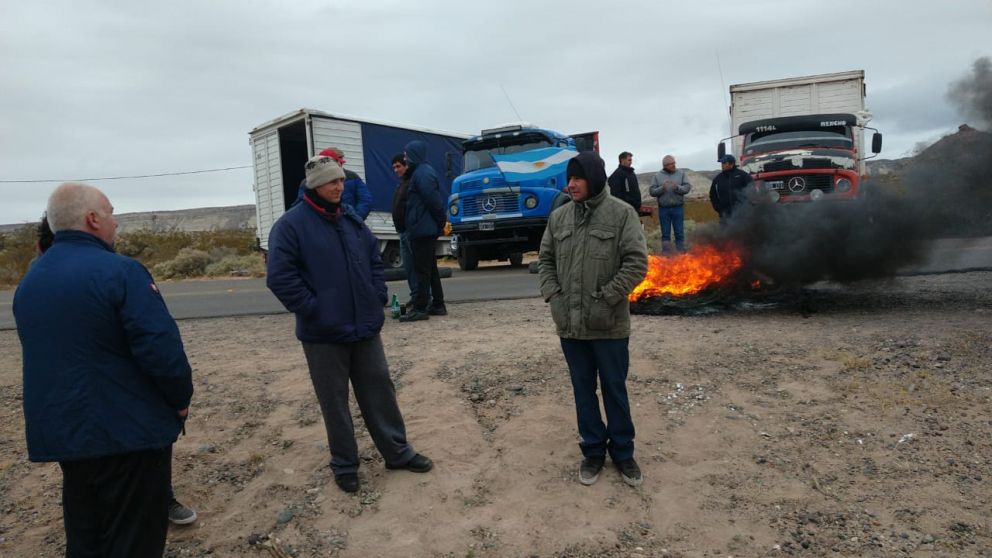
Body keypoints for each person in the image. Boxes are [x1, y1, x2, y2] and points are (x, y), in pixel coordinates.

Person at [13, 183, 194, 557]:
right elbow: (160, 348)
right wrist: (180, 400)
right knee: (134, 539)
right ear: (92, 219)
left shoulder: (30, 282)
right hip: (129, 435)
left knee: (87, 535)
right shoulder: (122, 271)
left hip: (68, 437)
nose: (116, 223)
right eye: (111, 213)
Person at [266, 155, 432, 494]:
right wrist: (314, 309)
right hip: (323, 334)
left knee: (380, 391)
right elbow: (280, 277)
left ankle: (397, 453)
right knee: (334, 402)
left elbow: (373, 258)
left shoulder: (350, 219)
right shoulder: (290, 225)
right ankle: (345, 465)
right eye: (332, 182)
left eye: (341, 180)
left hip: (364, 326)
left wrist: (378, 294)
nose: (340, 186)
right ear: (315, 185)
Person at [537, 152, 648, 487]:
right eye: (569, 179)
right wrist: (554, 297)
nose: (570, 185)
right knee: (583, 390)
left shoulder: (622, 214)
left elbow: (636, 263)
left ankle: (624, 453)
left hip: (609, 324)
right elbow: (545, 260)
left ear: (595, 178)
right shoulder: (559, 218)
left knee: (614, 388)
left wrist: (608, 298)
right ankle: (593, 451)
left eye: (578, 178)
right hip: (570, 325)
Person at [398, 140, 446, 322]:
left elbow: (433, 201)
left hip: (422, 229)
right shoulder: (421, 172)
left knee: (422, 270)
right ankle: (438, 304)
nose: (405, 158)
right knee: (430, 268)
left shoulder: (422, 174)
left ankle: (420, 308)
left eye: (406, 154)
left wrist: (441, 221)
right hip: (423, 228)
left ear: (413, 154)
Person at [293, 147, 374, 220]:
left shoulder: (307, 182)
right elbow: (366, 201)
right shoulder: (352, 176)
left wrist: (354, 219)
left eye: (341, 180)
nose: (340, 188)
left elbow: (365, 200)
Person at [390, 152, 422, 309]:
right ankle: (415, 295)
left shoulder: (412, 182)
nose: (396, 170)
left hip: (411, 231)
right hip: (402, 231)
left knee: (418, 267)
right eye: (394, 167)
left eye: (398, 166)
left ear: (406, 165)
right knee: (409, 268)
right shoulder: (401, 183)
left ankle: (423, 298)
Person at [648, 155, 692, 252]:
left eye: (674, 163)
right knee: (665, 234)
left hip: (678, 208)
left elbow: (687, 187)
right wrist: (662, 188)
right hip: (664, 209)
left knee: (679, 233)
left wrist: (677, 188)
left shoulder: (681, 173)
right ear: (665, 165)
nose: (674, 165)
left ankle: (681, 255)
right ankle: (667, 256)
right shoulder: (657, 176)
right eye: (671, 164)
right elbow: (651, 191)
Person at [709, 154, 753, 225]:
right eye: (721, 163)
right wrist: (717, 207)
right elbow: (712, 195)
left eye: (724, 163)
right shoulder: (717, 179)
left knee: (742, 235)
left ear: (731, 164)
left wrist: (747, 206)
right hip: (725, 215)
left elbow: (752, 190)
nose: (722, 165)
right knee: (726, 235)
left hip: (742, 215)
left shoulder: (742, 175)